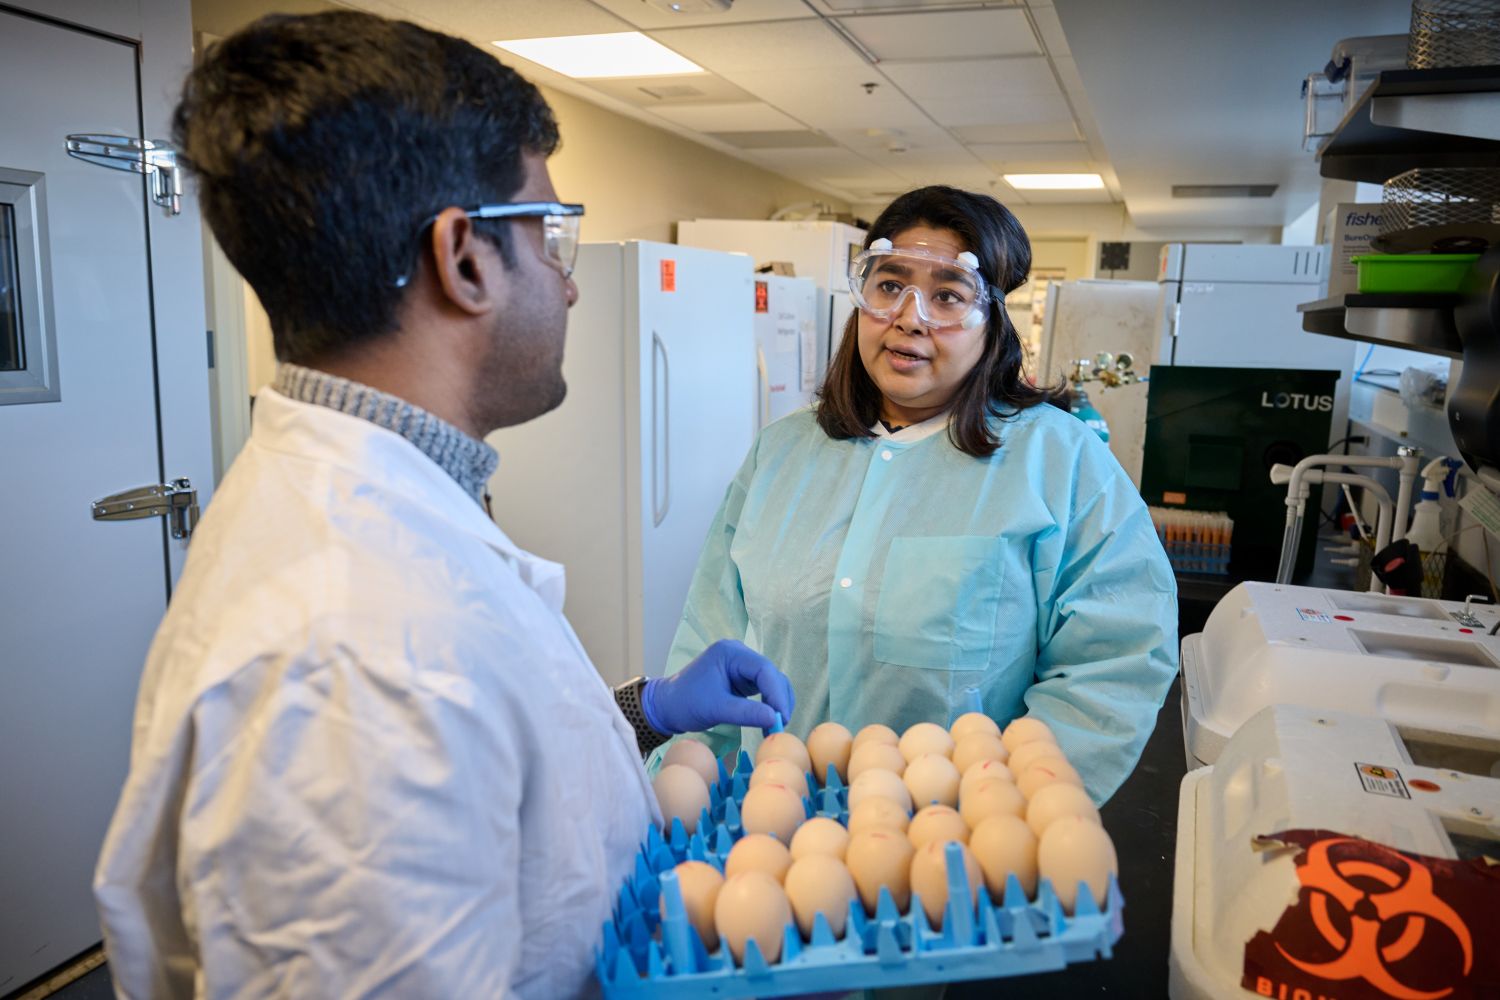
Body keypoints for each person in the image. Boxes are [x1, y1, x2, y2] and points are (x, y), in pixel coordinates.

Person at [92, 12, 793, 999]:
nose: (570, 285)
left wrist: (640, 714)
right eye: (553, 237)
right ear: (464, 258)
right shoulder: (349, 646)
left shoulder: (382, 506)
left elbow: (479, 779)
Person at [657, 186, 1177, 803]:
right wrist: (682, 787)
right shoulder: (781, 453)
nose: (910, 316)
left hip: (954, 851)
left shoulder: (1060, 462)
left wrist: (1008, 811)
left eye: (948, 296)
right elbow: (710, 638)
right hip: (775, 830)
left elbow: (1114, 663)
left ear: (994, 322)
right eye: (888, 285)